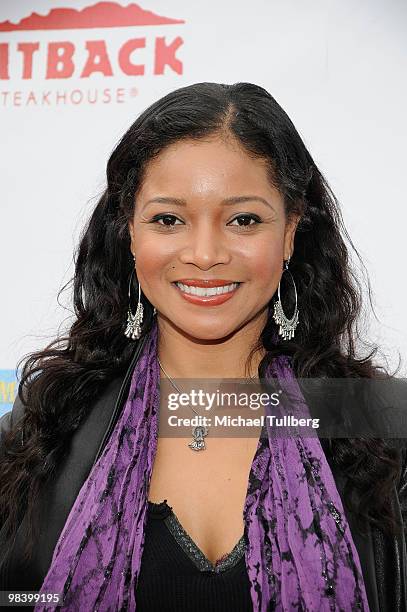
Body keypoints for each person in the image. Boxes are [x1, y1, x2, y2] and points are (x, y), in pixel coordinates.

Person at [0, 82, 406, 612]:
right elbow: (18, 595)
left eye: (244, 220)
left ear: (290, 233)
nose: (205, 254)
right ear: (129, 233)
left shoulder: (379, 425)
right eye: (168, 219)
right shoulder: (51, 419)